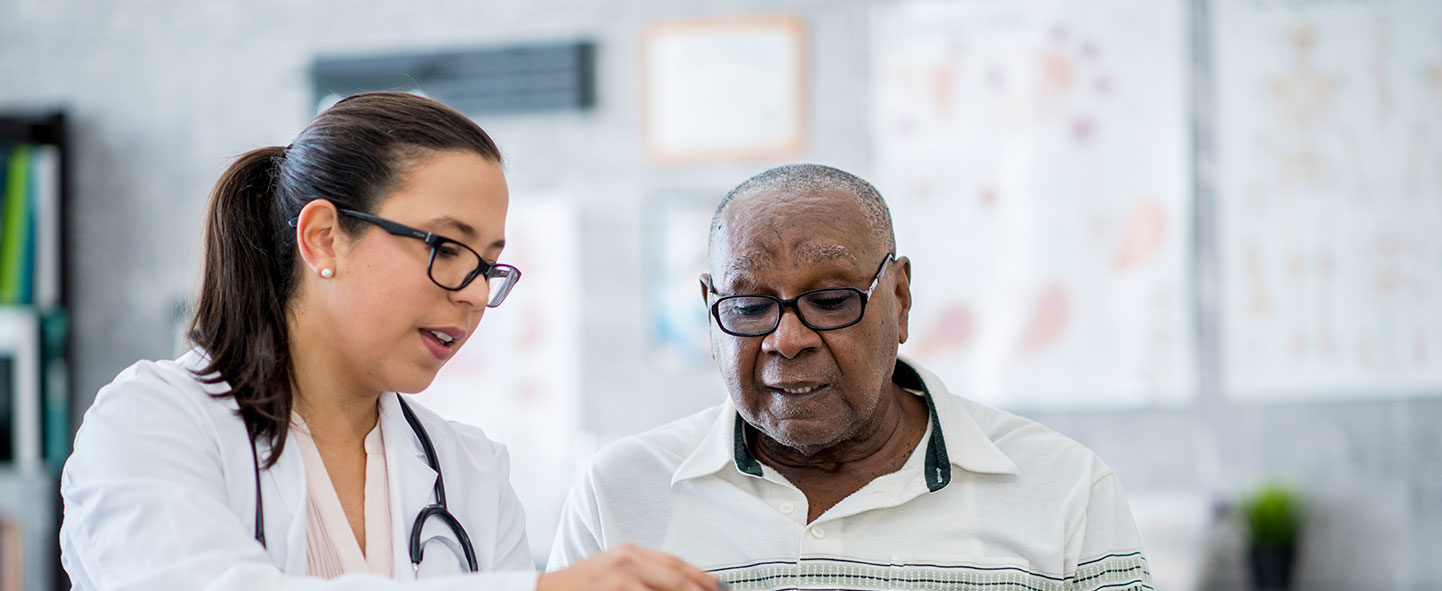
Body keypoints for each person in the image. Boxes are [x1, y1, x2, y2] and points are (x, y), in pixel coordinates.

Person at [60, 92, 721, 591]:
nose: (472, 292)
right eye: (445, 246)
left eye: (489, 263)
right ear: (323, 238)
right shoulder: (152, 420)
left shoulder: (469, 470)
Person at [548, 164, 1152, 590]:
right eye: (749, 306)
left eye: (832, 299)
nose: (787, 339)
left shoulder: (1065, 489)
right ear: (709, 312)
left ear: (900, 296)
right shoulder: (620, 494)